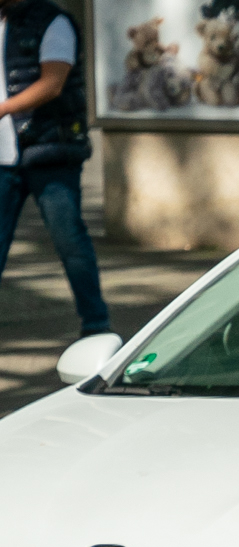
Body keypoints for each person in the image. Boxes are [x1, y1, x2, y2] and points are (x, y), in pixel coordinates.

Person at [0, 0, 108, 342]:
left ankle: (96, 323)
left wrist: (3, 108)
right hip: (3, 156)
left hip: (49, 150)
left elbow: (53, 82)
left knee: (69, 240)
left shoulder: (52, 21)